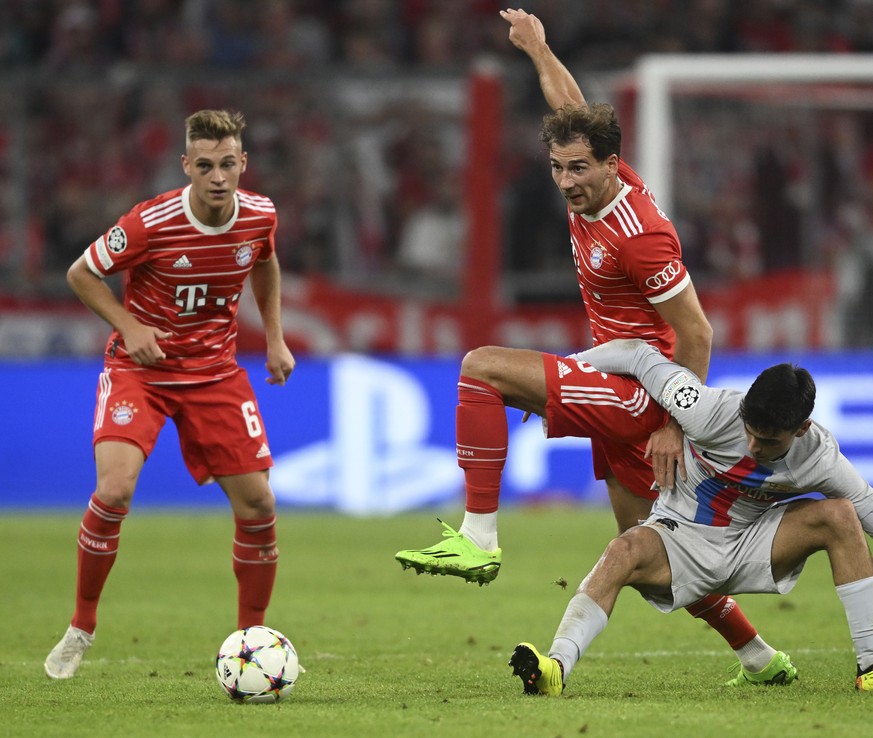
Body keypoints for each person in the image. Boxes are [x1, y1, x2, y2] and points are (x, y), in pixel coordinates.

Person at [396, 8, 787, 686]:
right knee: (643, 555)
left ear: (611, 164)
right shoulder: (598, 179)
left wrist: (673, 421)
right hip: (613, 380)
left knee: (480, 369)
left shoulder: (640, 235)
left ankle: (479, 539)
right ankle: (760, 658)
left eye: (579, 169)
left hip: (644, 394)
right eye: (556, 168)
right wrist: (539, 50)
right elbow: (571, 106)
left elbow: (696, 331)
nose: (567, 181)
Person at [44, 109, 296, 680]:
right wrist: (128, 327)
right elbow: (81, 272)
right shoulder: (149, 222)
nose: (217, 176)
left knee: (259, 507)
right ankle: (82, 624)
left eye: (227, 164)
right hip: (142, 370)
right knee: (115, 489)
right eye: (204, 165)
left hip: (215, 375)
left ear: (242, 164)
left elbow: (266, 261)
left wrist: (275, 339)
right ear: (186, 165)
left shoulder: (260, 215)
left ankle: (247, 640)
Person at [507, 338, 873, 694]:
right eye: (749, 432)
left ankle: (870, 667)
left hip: (754, 545)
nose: (753, 447)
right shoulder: (704, 407)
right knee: (621, 552)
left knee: (841, 515)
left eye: (770, 441)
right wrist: (560, 380)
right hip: (678, 539)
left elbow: (865, 507)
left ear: (802, 429)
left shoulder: (819, 458)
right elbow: (636, 355)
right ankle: (556, 667)